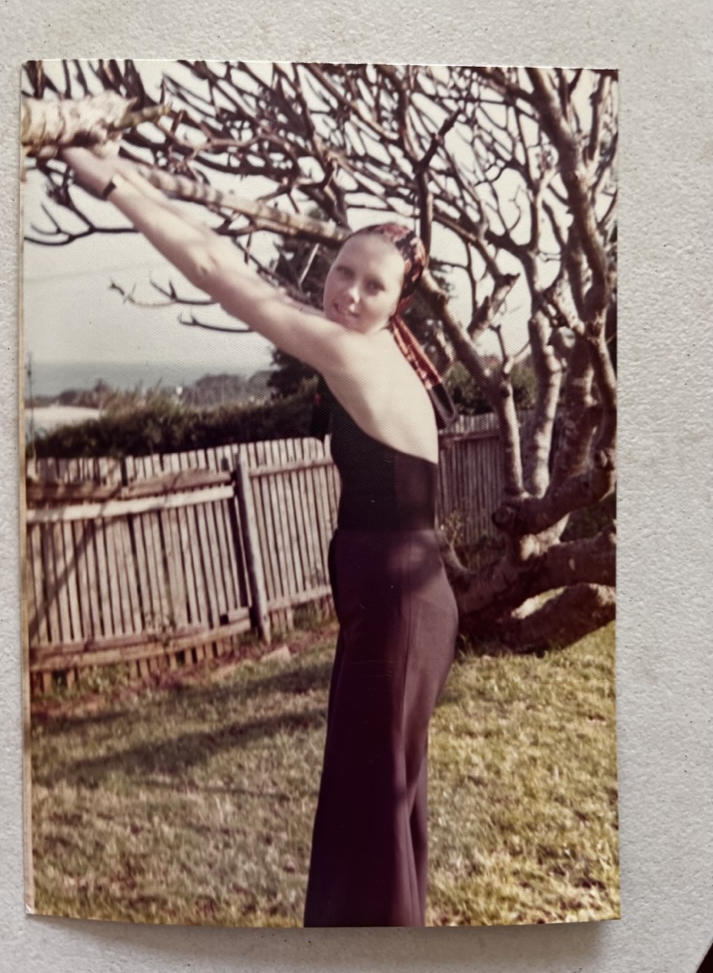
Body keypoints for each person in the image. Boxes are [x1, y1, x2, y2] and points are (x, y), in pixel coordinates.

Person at [60, 146, 459, 927]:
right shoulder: (370, 348)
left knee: (370, 811)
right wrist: (130, 173)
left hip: (398, 608)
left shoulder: (352, 353)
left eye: (371, 284)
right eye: (341, 271)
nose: (347, 292)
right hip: (399, 600)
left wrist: (112, 185)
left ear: (396, 301)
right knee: (375, 806)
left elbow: (216, 271)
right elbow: (234, 263)